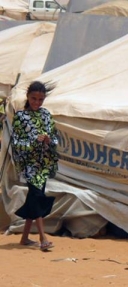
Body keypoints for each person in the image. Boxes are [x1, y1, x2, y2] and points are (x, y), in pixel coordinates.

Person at [11, 81, 59, 252]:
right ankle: (43, 237)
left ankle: (24, 238)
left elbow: (55, 138)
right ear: (28, 97)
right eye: (34, 99)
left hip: (44, 164)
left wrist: (48, 140)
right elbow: (16, 143)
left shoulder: (46, 115)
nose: (37, 103)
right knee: (38, 197)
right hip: (29, 165)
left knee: (34, 198)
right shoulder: (20, 117)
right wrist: (33, 141)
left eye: (40, 99)